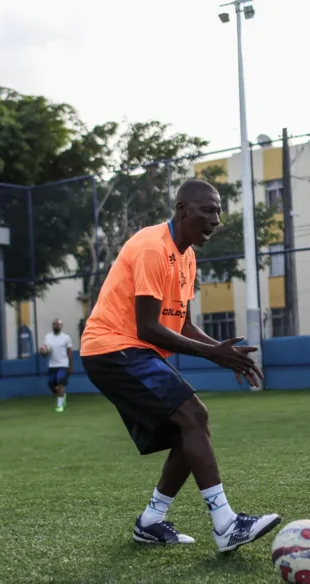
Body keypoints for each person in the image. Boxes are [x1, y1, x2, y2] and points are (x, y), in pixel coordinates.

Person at [79, 178, 279, 552]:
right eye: (208, 210)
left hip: (134, 349)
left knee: (188, 435)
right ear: (182, 209)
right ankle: (226, 525)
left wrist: (220, 349)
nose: (216, 219)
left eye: (219, 211)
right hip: (114, 348)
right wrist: (211, 353)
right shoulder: (153, 248)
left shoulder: (187, 255)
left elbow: (181, 324)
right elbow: (149, 327)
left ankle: (151, 521)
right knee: (194, 417)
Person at [43, 319, 74, 412]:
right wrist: (43, 352)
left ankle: (60, 405)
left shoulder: (66, 338)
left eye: (58, 324)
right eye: (55, 324)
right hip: (52, 365)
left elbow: (69, 353)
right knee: (51, 385)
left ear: (61, 326)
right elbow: (45, 350)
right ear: (52, 326)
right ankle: (62, 395)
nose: (57, 326)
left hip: (63, 365)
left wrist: (70, 366)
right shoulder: (48, 337)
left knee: (60, 384)